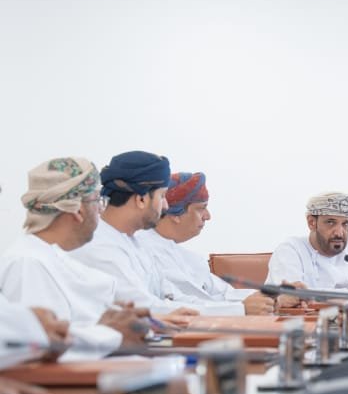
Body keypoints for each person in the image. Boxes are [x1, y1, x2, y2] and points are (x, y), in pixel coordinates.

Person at [0, 158, 151, 353]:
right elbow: (44, 350)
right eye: (97, 201)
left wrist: (114, 316)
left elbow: (74, 326)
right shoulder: (27, 263)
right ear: (78, 209)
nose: (101, 210)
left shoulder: (50, 255)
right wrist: (111, 334)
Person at [70, 151, 209, 320]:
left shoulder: (135, 242)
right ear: (141, 199)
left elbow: (171, 297)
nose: (166, 206)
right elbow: (143, 308)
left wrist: (233, 309)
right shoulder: (100, 247)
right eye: (162, 196)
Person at [136, 172, 274, 315]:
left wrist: (270, 297)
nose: (208, 216)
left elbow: (223, 293)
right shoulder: (143, 251)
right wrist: (239, 309)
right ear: (176, 215)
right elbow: (177, 304)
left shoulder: (187, 256)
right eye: (201, 208)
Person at [266, 192, 348, 307]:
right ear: (312, 222)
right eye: (330, 222)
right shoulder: (290, 249)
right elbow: (294, 298)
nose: (339, 233)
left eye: (345, 224)